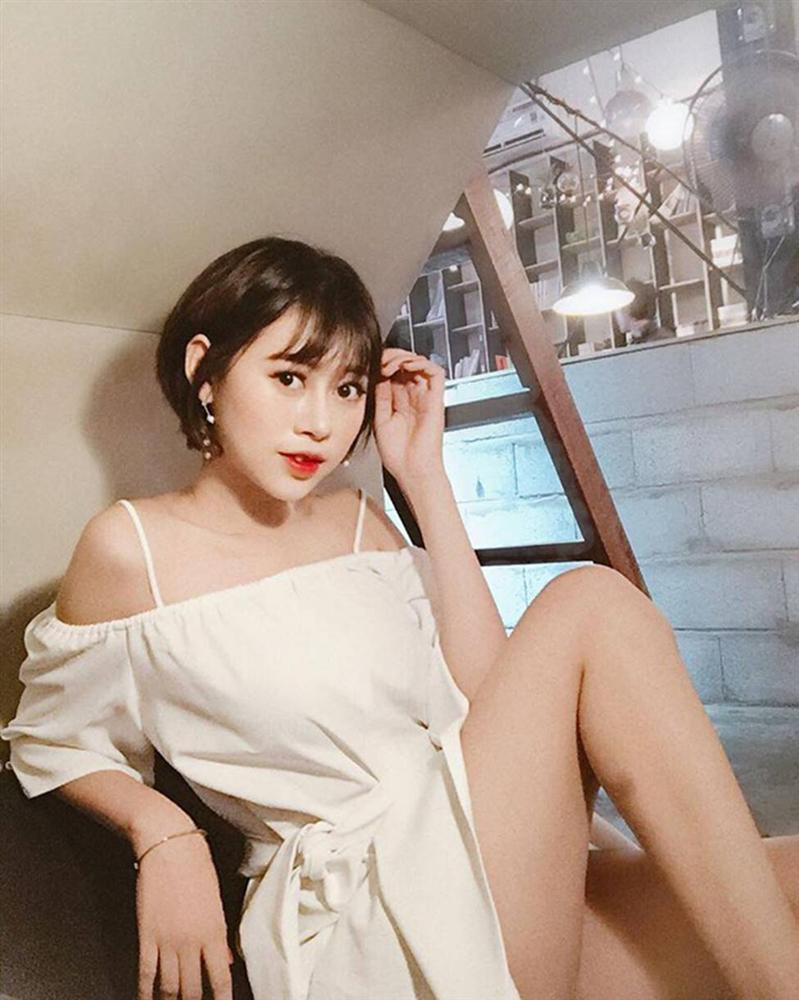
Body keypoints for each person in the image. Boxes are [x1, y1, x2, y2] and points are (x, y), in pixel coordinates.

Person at [2, 236, 798, 1000]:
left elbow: (482, 695)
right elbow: (51, 736)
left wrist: (424, 477)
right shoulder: (130, 549)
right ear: (202, 369)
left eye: (347, 389)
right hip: (368, 917)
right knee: (588, 601)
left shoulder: (359, 522)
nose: (321, 421)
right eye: (289, 378)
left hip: (482, 858)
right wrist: (161, 833)